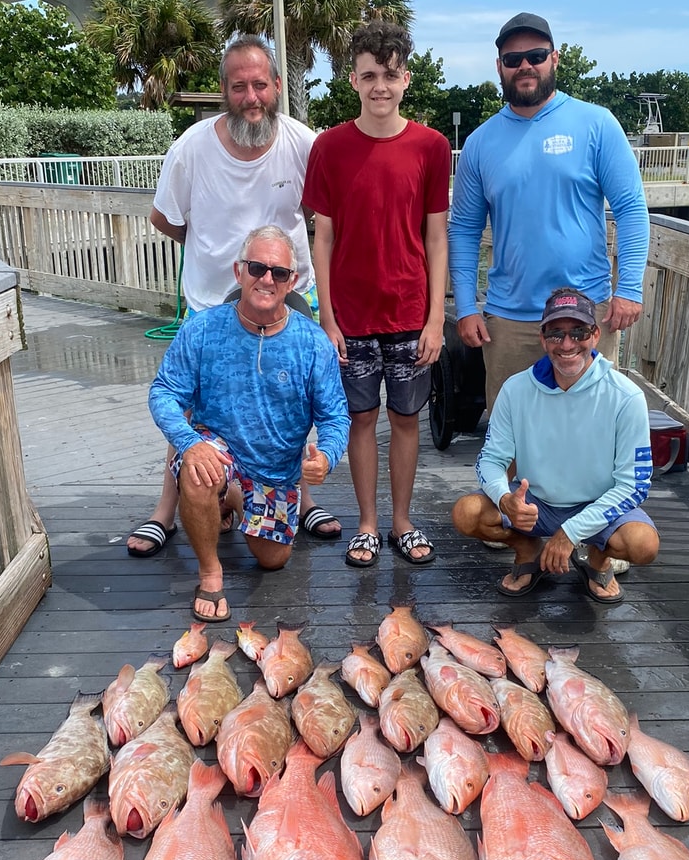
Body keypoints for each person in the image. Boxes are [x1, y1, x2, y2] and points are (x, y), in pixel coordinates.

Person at [128, 34, 341, 558]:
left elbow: (324, 222)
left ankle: (299, 495)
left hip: (290, 295)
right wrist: (219, 258)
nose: (252, 96)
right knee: (194, 406)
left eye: (261, 85)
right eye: (240, 86)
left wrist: (277, 276)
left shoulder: (304, 144)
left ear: (277, 87)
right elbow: (166, 219)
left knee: (289, 399)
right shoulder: (192, 147)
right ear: (224, 89)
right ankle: (167, 507)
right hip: (211, 301)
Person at [303, 20, 451, 569]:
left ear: (406, 78)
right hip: (353, 317)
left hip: (411, 314)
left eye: (390, 75)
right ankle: (366, 523)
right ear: (353, 80)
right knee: (362, 419)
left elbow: (436, 237)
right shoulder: (329, 147)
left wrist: (437, 318)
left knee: (408, 420)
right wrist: (328, 317)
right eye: (370, 75)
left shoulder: (432, 147)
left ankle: (402, 521)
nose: (380, 86)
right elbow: (323, 235)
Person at [148, 226, 350, 623]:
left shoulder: (313, 344)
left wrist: (326, 455)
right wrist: (189, 443)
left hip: (276, 471)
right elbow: (163, 393)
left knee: (273, 560)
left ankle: (234, 499)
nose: (267, 279)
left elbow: (335, 415)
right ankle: (210, 572)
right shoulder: (202, 329)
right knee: (199, 471)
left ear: (293, 281)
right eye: (257, 267)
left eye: (278, 272)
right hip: (216, 448)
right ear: (239, 271)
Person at [448, 11, 650, 403]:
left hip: (587, 315)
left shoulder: (597, 124)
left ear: (554, 59)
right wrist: (468, 306)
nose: (525, 65)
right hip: (509, 322)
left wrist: (628, 288)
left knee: (591, 434)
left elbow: (630, 209)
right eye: (512, 59)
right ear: (500, 68)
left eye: (536, 55)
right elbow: (464, 230)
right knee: (511, 443)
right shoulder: (478, 143)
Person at [451, 287, 659, 603]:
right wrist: (505, 498)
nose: (567, 344)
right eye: (555, 334)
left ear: (595, 335)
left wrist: (571, 533)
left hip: (597, 505)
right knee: (467, 513)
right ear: (542, 338)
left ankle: (597, 560)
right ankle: (527, 550)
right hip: (538, 503)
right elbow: (491, 458)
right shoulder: (515, 389)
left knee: (644, 544)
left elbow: (635, 485)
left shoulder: (626, 397)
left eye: (578, 332)